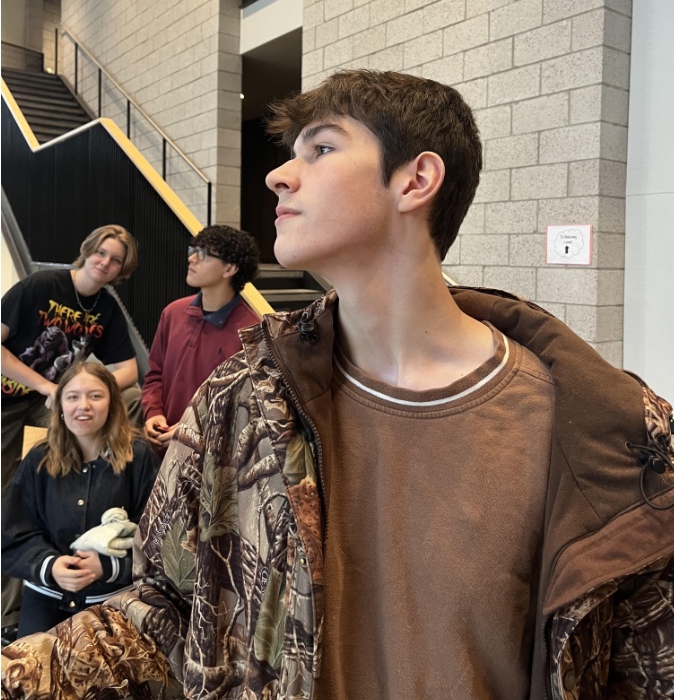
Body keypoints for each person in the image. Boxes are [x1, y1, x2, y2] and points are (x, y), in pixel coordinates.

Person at [1, 71, 673, 699]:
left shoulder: (612, 435)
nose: (278, 176)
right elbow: (163, 615)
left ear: (416, 180)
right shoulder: (240, 404)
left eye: (320, 148)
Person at [1, 224, 139, 643]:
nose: (106, 263)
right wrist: (51, 389)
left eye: (115, 260)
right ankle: (10, 611)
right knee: (12, 499)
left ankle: (103, 491)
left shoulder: (106, 308)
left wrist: (88, 394)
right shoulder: (43, 284)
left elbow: (129, 371)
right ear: (87, 251)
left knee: (129, 398)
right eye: (101, 253)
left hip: (52, 410)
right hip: (10, 400)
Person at [1, 361, 158, 637]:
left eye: (95, 396)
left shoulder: (140, 458)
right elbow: (13, 535)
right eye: (72, 397)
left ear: (112, 403)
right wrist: (50, 566)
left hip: (113, 599)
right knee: (32, 674)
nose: (83, 405)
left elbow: (159, 538)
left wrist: (109, 567)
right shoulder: (38, 459)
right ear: (60, 405)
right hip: (47, 597)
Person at [142, 225, 260, 452]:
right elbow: (155, 375)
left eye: (203, 254)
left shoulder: (251, 331)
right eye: (193, 250)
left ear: (229, 269)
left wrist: (193, 430)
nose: (192, 259)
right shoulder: (172, 313)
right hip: (162, 445)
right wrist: (153, 412)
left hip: (210, 458)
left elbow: (245, 408)